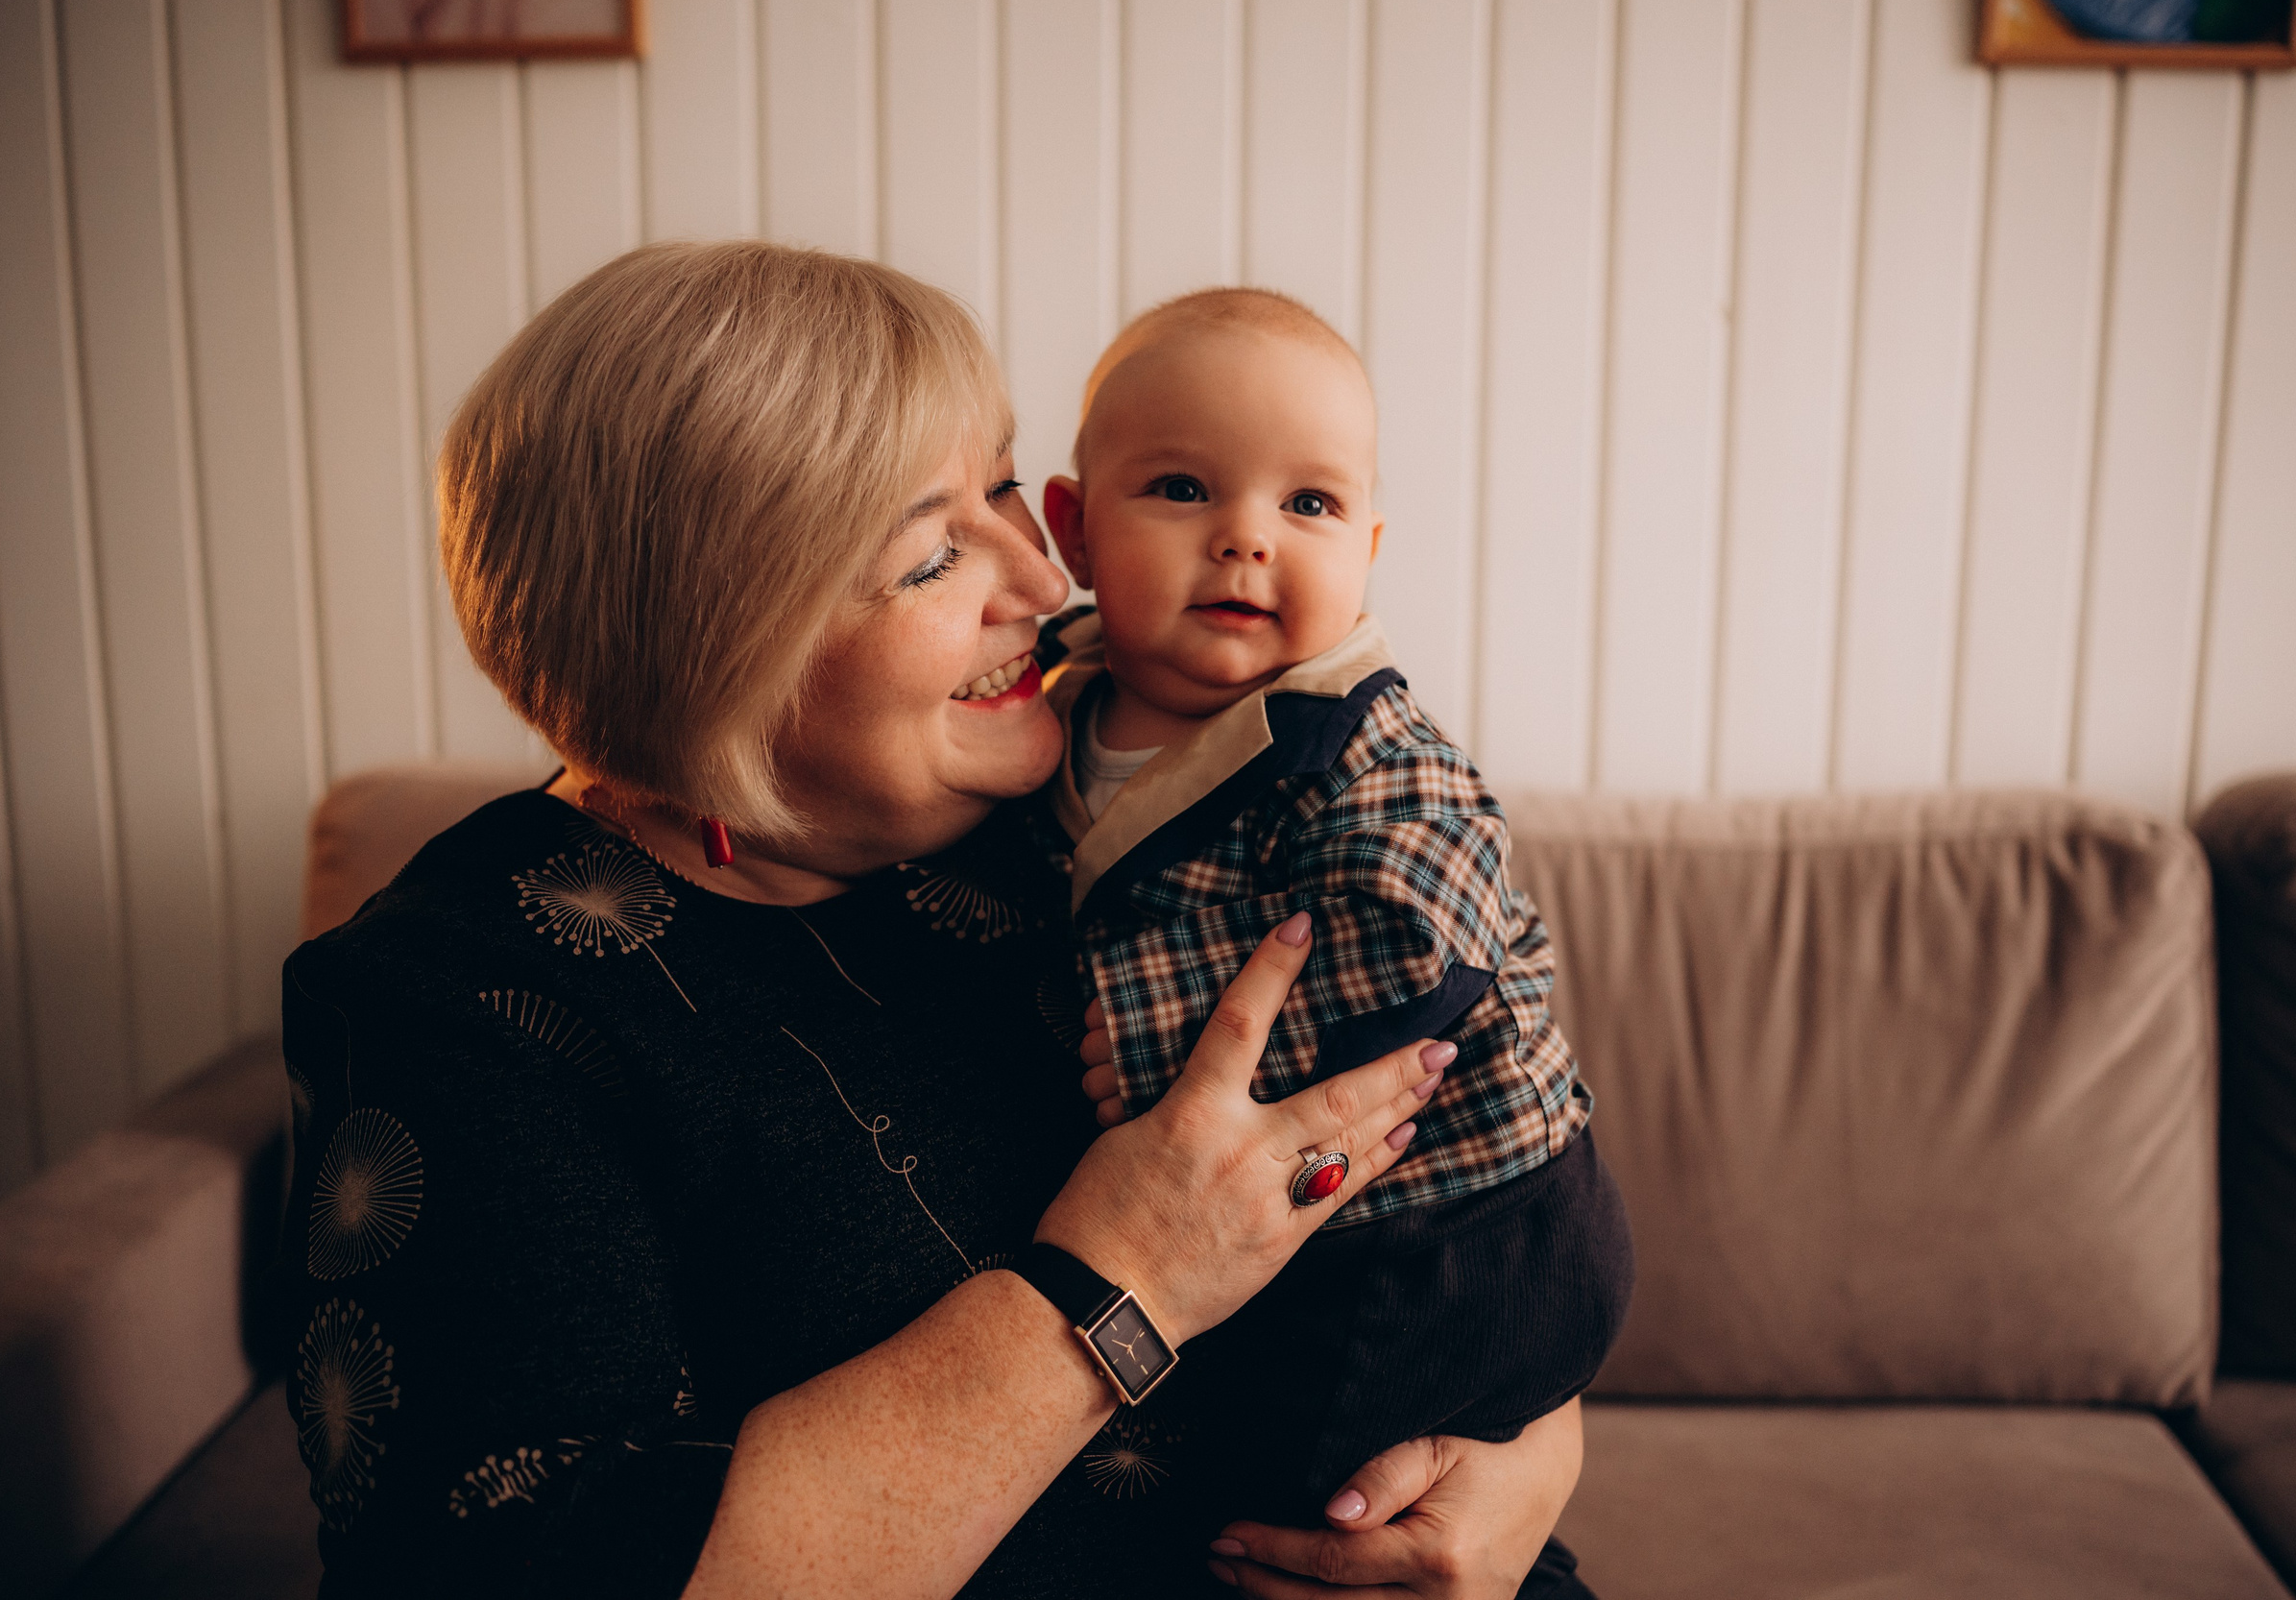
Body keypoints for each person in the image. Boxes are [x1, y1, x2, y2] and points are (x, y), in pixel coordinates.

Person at [278, 240, 1588, 1598]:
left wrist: (1518, 1465)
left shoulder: (1087, 810)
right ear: (721, 641)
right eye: (931, 557)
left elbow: (1475, 1156)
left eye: (1009, 489)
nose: (1040, 579)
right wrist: (1122, 1277)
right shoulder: (467, 1002)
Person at [1032, 288, 1631, 1534]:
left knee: (1290, 1503)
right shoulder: (1054, 710)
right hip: (1311, 1225)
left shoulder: (1354, 739)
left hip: (1466, 1226)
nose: (1247, 538)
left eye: (1307, 504)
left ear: (1366, 548)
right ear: (1075, 531)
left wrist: (1158, 1054)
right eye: (1183, 489)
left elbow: (1426, 944)